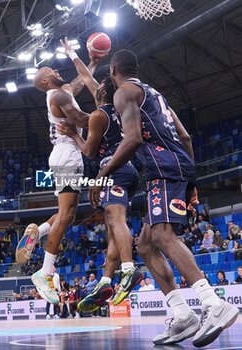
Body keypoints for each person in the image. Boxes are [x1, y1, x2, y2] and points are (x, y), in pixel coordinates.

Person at [88, 49, 239, 347]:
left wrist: (103, 171)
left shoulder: (124, 93)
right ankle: (183, 316)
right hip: (177, 167)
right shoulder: (155, 94)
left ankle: (213, 304)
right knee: (144, 243)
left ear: (114, 67)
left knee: (163, 235)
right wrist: (191, 180)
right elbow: (185, 137)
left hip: (163, 169)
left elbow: (133, 139)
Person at [57, 39, 142, 312]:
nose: (92, 88)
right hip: (129, 169)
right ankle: (106, 278)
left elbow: (90, 153)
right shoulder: (117, 105)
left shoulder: (98, 115)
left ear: (100, 94)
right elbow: (86, 76)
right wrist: (73, 54)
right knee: (111, 223)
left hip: (113, 168)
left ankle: (128, 268)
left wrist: (72, 134)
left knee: (114, 218)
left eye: (96, 88)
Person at [28, 53, 100, 304]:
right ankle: (45, 272)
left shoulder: (63, 91)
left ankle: (40, 231)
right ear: (45, 82)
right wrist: (110, 115)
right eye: (50, 71)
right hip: (67, 154)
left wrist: (93, 62)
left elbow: (79, 83)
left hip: (64, 154)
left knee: (65, 213)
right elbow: (81, 120)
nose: (56, 71)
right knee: (68, 215)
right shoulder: (58, 96)